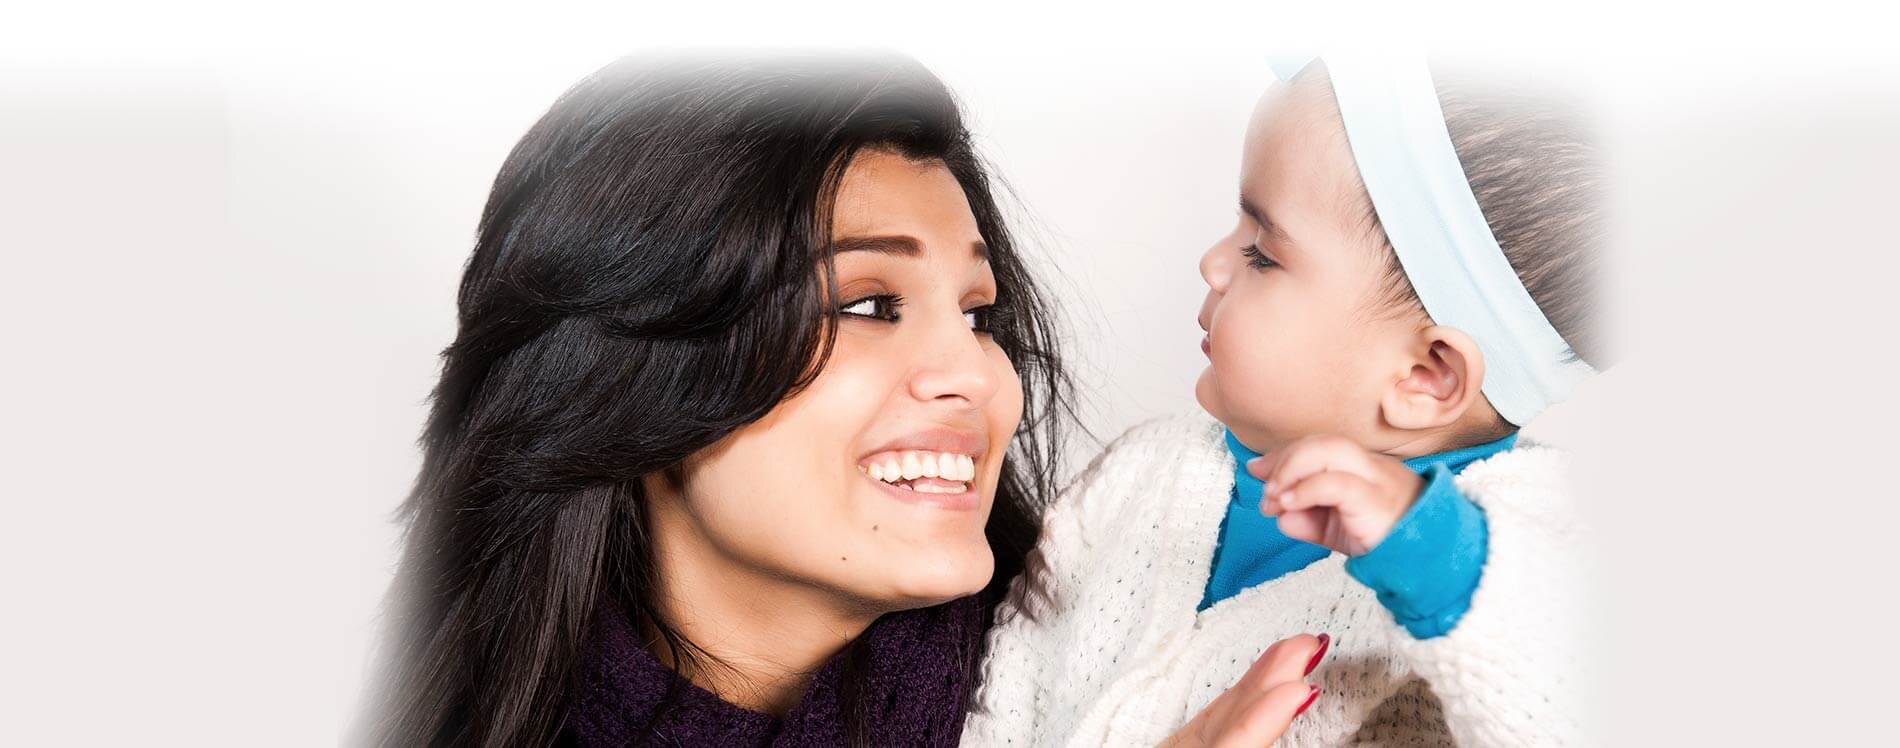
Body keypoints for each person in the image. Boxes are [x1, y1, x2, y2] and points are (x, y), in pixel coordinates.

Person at [356, 52, 1322, 747]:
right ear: (631, 374)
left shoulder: (1164, 672)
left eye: (980, 314)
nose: (980, 377)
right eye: (869, 304)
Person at [964, 56, 1604, 745]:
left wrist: (1438, 558)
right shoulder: (1140, 473)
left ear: (1426, 375)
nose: (1213, 262)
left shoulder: (1539, 536)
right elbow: (1006, 692)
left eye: (1262, 253)